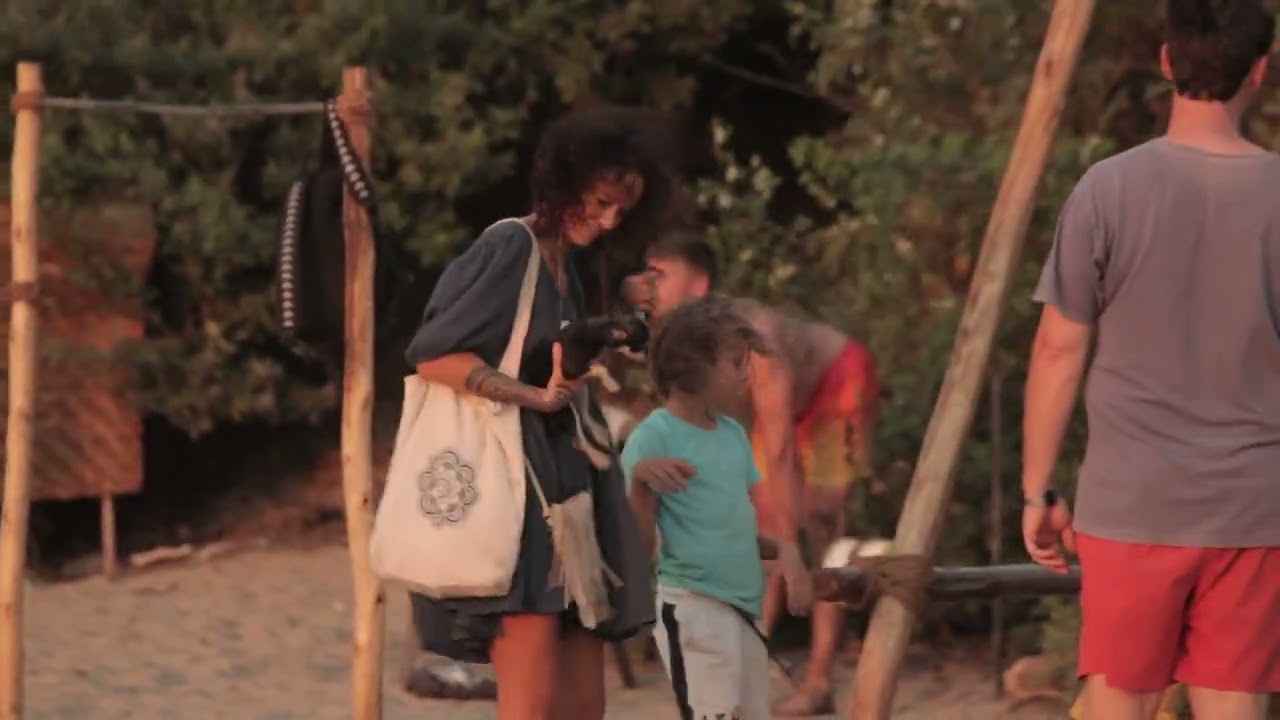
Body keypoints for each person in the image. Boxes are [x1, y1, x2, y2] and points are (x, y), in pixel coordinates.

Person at [1021, 2, 1280, 718]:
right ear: (1259, 71)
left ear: (1167, 62)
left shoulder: (1108, 189)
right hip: (1254, 507)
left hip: (1132, 503)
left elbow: (1058, 349)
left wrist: (1039, 489)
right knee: (1236, 705)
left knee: (1119, 702)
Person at [404, 105, 680, 720]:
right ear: (566, 182)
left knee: (583, 706)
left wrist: (614, 317)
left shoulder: (567, 266)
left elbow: (552, 354)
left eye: (620, 212)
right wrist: (530, 397)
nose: (607, 220)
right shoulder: (510, 245)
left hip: (569, 494)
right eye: (599, 202)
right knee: (528, 706)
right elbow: (433, 355)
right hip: (518, 500)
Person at [625, 232, 879, 716]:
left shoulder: (754, 336)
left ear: (697, 282)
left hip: (834, 384)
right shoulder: (679, 343)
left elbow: (780, 446)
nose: (647, 286)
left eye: (660, 275)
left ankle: (819, 678)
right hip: (774, 418)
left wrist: (791, 550)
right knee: (759, 521)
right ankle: (744, 656)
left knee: (819, 522)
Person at [622, 294, 812, 719]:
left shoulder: (731, 435)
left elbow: (734, 529)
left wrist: (788, 552)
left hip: (744, 609)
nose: (747, 375)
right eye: (736, 363)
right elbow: (635, 545)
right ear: (694, 367)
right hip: (693, 607)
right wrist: (638, 483)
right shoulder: (652, 439)